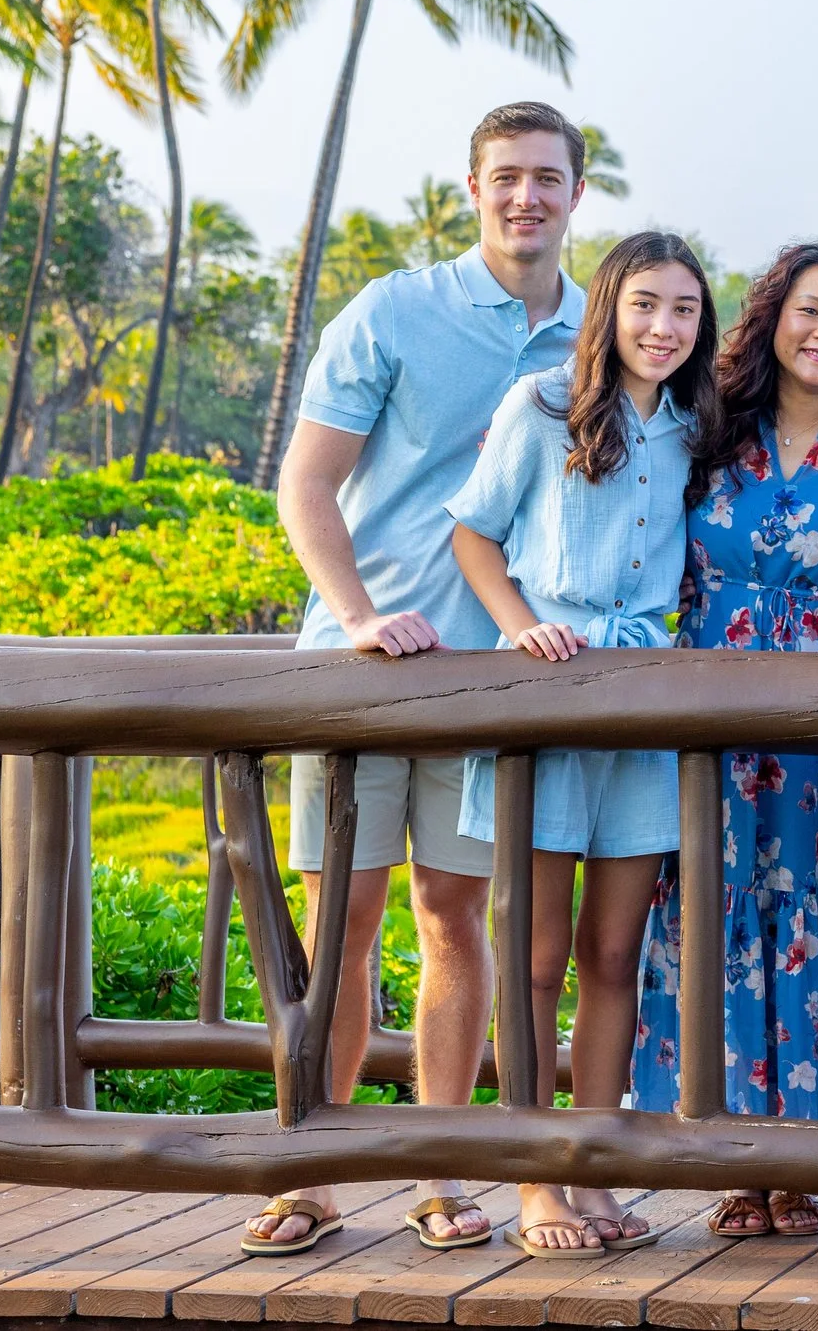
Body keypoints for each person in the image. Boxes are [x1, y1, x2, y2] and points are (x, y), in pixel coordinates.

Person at [242, 102, 592, 1259]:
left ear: (575, 194)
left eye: (546, 178)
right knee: (336, 921)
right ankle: (316, 1167)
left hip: (491, 682)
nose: (525, 198)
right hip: (356, 675)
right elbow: (307, 484)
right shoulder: (396, 309)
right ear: (472, 187)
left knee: (454, 917)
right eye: (506, 177)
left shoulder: (601, 331)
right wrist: (353, 617)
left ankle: (440, 1172)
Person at [450, 231, 722, 1258]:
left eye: (685, 310)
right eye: (646, 304)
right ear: (608, 307)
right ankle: (534, 1181)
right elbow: (474, 532)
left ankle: (592, 1164)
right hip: (550, 696)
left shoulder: (694, 428)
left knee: (616, 955)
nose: (664, 327)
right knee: (533, 954)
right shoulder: (541, 405)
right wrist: (517, 622)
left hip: (646, 708)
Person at [633, 238, 818, 1240]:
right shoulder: (705, 422)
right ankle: (726, 1160)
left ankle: (806, 1157)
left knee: (814, 918)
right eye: (809, 310)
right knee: (709, 913)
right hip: (706, 715)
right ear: (771, 316)